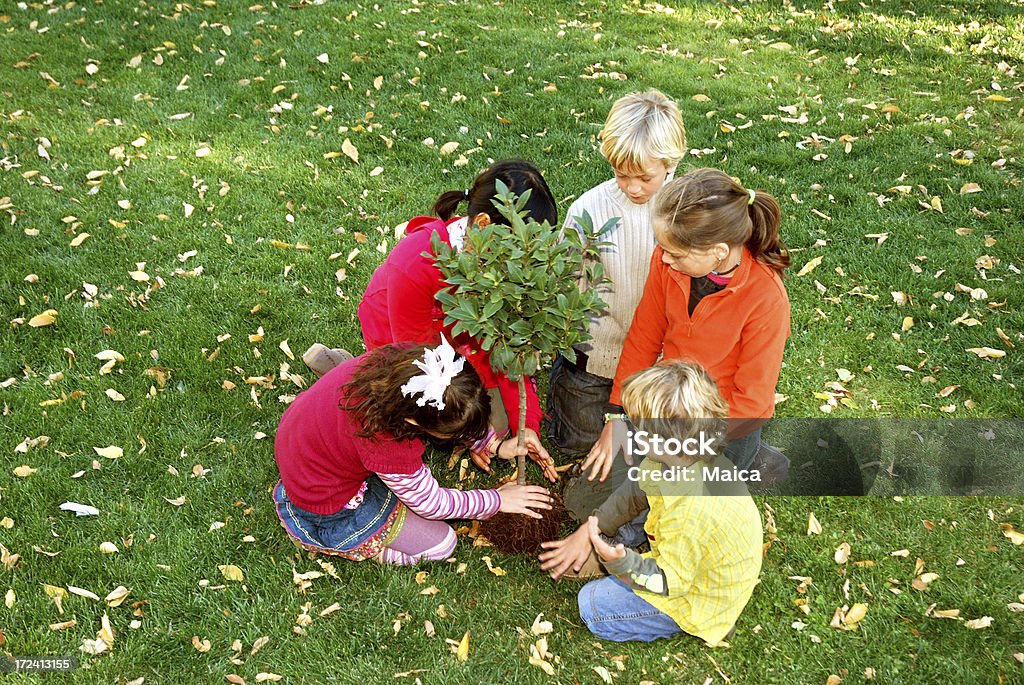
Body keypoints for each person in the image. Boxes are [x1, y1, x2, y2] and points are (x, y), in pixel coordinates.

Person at [306, 160, 559, 480]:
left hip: (461, 340)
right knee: (411, 415)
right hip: (399, 337)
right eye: (520, 243)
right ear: (482, 224)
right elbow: (420, 366)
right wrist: (478, 441)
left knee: (498, 424)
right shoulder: (415, 263)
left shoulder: (507, 269)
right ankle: (349, 376)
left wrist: (528, 427)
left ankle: (356, 373)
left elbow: (509, 352)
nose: (526, 256)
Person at [582, 168, 791, 484]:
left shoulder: (766, 297)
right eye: (663, 247)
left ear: (718, 252)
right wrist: (618, 415)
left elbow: (752, 401)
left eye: (675, 253)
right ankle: (751, 458)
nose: (664, 259)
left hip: (725, 420)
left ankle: (750, 455)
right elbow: (644, 335)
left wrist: (687, 451)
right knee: (606, 491)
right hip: (672, 403)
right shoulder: (668, 263)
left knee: (677, 506)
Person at [540, 362, 763, 645]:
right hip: (684, 563)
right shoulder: (674, 460)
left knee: (593, 606)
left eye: (640, 428)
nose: (633, 431)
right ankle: (626, 563)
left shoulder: (691, 510)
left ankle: (697, 622)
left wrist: (623, 566)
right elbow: (635, 491)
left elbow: (669, 582)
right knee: (615, 574)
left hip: (693, 593)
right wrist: (591, 527)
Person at [274, 339, 553, 565]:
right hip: (322, 498)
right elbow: (431, 504)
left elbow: (456, 407)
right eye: (450, 435)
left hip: (305, 438)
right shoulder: (387, 445)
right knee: (442, 545)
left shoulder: (408, 366)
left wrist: (492, 444)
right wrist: (496, 501)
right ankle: (353, 545)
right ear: (413, 422)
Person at [547, 89, 687, 458]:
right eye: (622, 175)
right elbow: (562, 279)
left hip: (656, 362)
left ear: (670, 163)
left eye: (644, 176)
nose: (634, 187)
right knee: (580, 447)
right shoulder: (589, 209)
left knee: (646, 451)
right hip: (592, 361)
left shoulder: (686, 211)